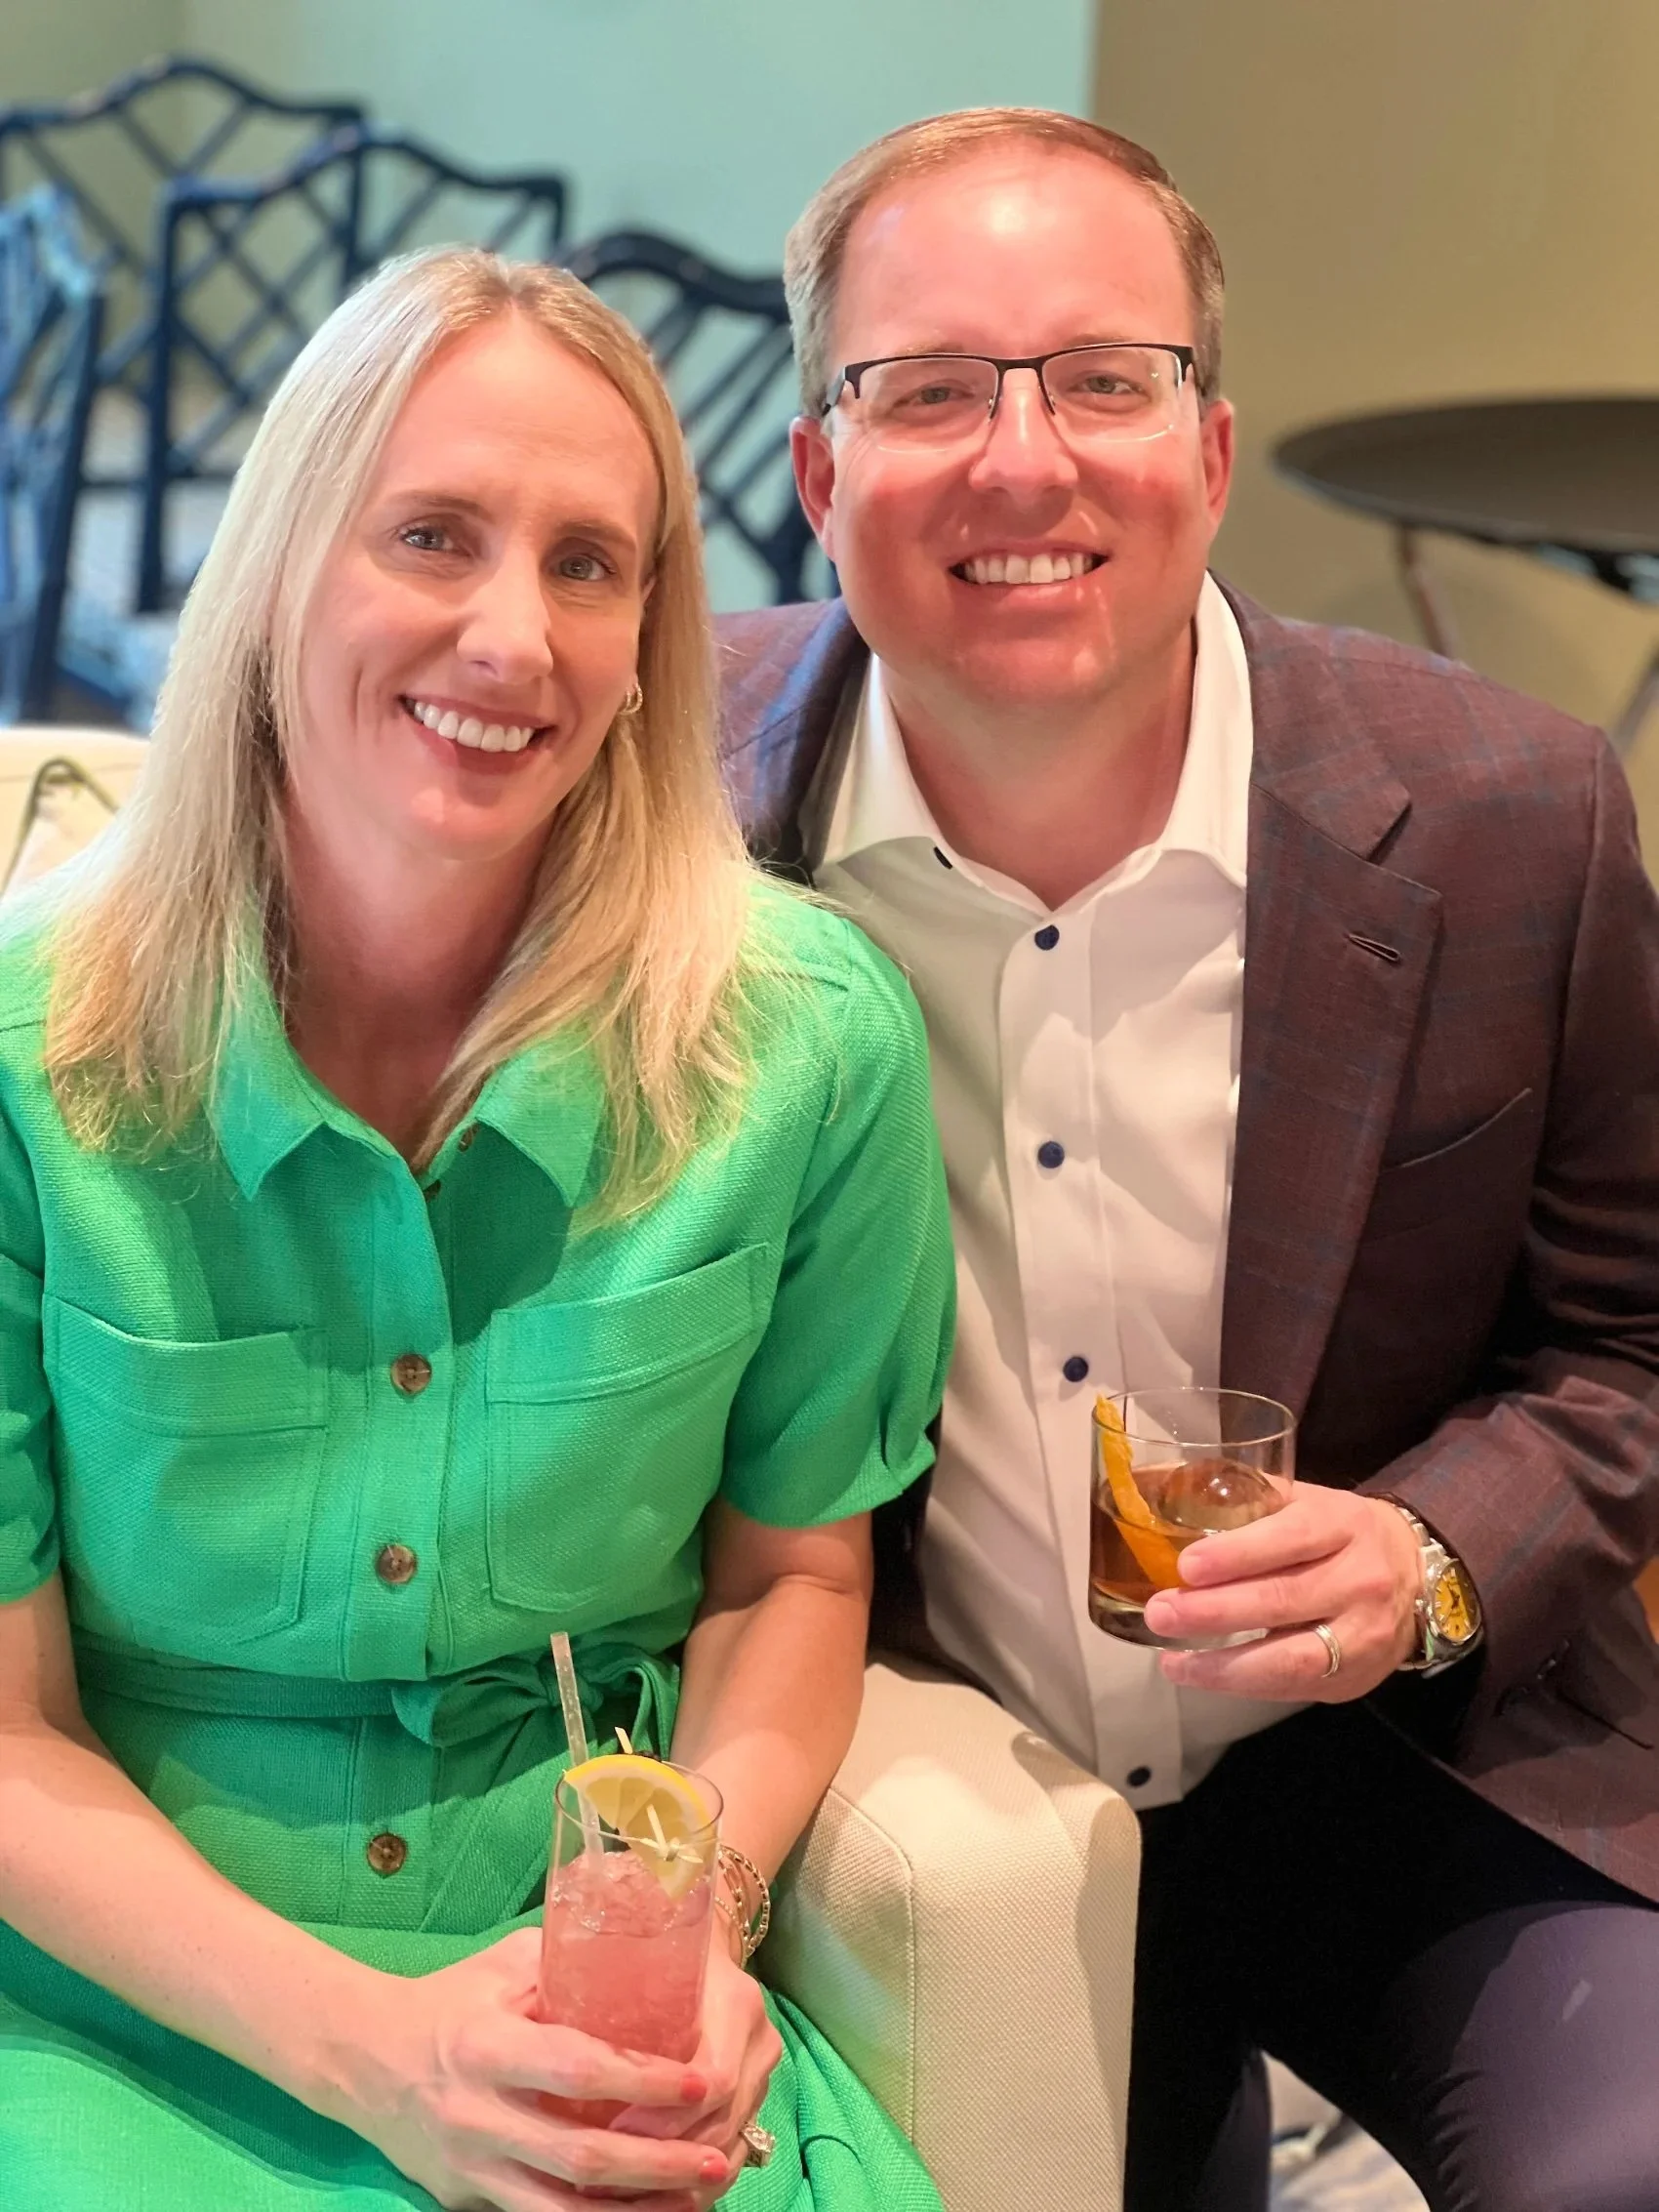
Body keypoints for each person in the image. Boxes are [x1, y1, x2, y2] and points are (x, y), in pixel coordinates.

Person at [717, 107, 1659, 2212]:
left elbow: (1637, 1337)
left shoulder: (1512, 812)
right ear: (818, 472)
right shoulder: (667, 811)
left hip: (1411, 1753)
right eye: (928, 388)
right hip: (938, 1757)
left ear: (1209, 453)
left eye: (1101, 378)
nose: (1022, 459)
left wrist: (1427, 1553)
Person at [0, 247, 954, 2212]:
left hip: (587, 1992)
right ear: (276, 570)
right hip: (111, 2001)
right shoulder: (27, 1054)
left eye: (589, 563)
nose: (513, 635)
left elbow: (793, 1579)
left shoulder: (806, 1040)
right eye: (430, 534)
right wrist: (380, 2056)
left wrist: (696, 1910)